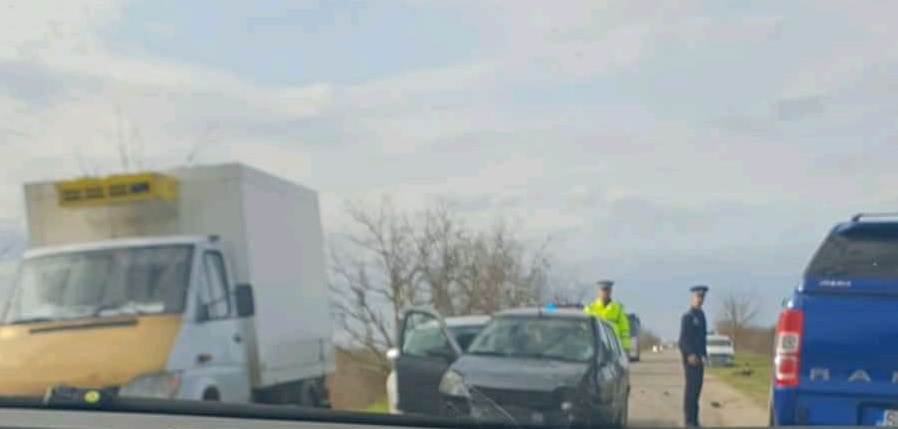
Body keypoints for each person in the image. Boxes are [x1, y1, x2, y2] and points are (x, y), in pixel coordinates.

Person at [679, 285, 709, 427]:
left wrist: (703, 354)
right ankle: (689, 420)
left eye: (702, 297)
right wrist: (690, 354)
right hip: (690, 359)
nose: (700, 299)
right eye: (698, 297)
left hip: (700, 358)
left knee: (697, 390)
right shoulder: (688, 317)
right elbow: (683, 340)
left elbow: (702, 338)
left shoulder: (701, 316)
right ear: (693, 297)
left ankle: (695, 420)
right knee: (691, 391)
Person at [583, 280, 631, 351]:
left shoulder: (618, 308)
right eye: (603, 290)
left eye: (607, 290)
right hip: (595, 346)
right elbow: (584, 328)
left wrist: (625, 347)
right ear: (598, 292)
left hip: (613, 346)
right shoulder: (590, 308)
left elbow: (624, 329)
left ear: (611, 292)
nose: (605, 293)